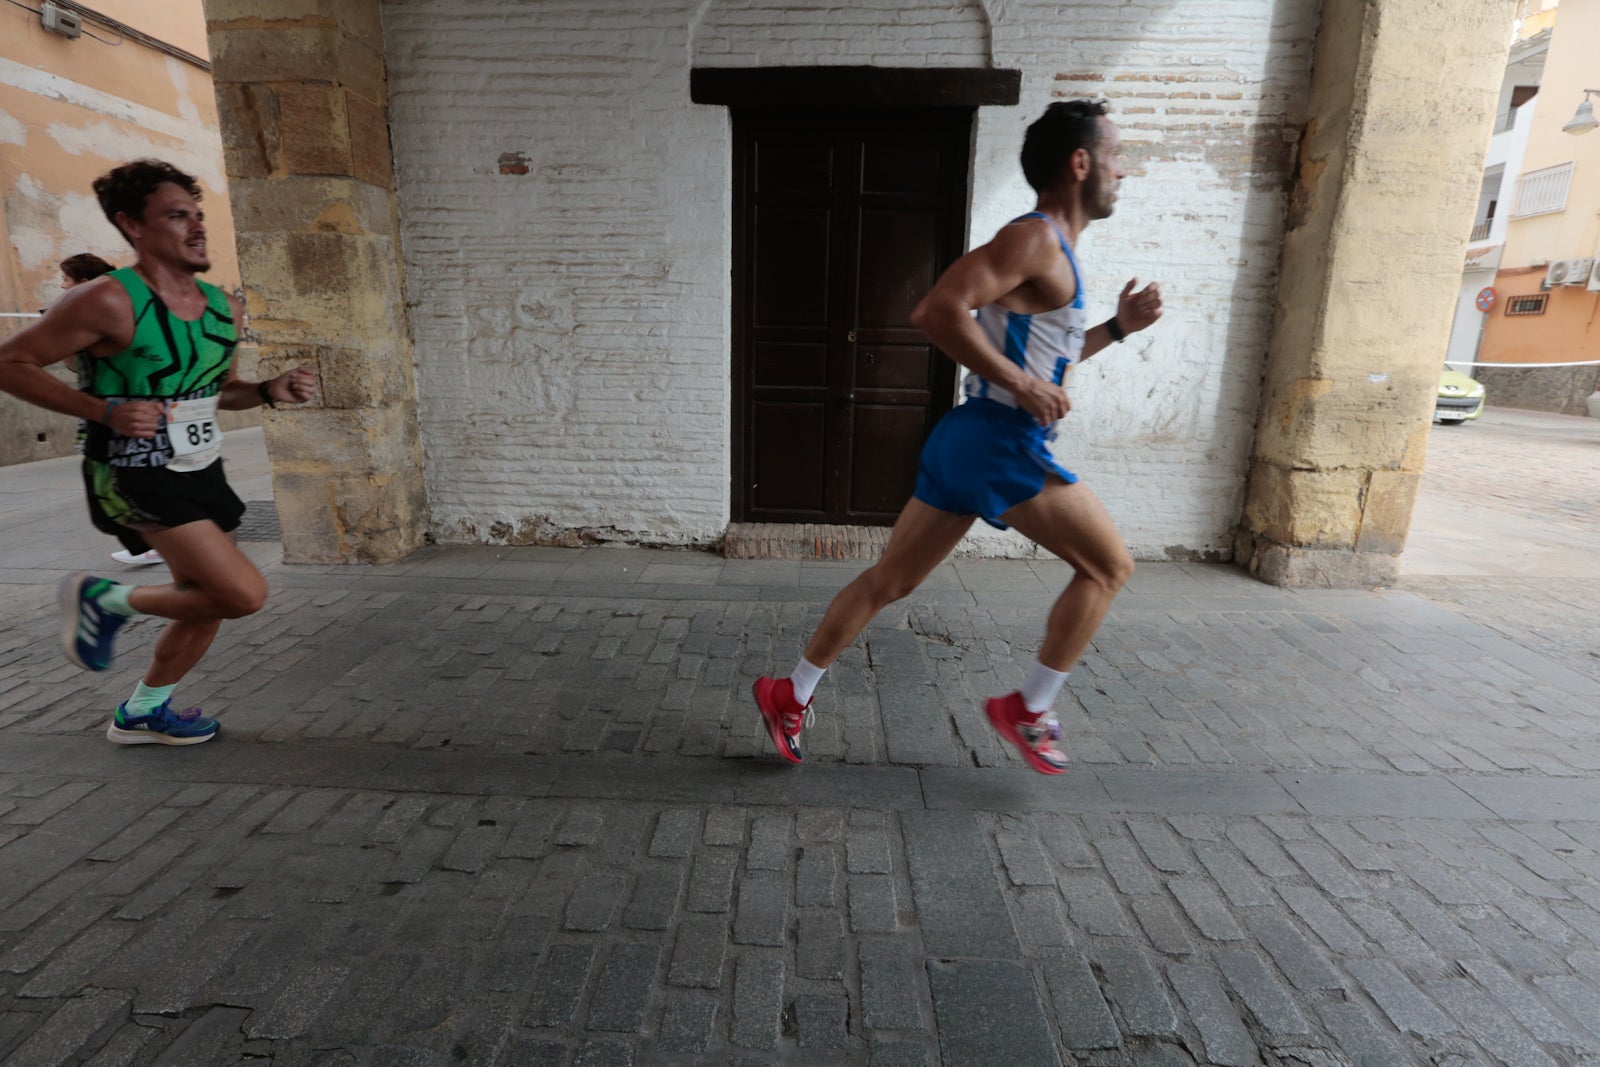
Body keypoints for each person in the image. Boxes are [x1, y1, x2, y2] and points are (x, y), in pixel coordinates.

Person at [751, 101, 1163, 774]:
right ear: (1080, 163)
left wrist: (1115, 330)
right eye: (1117, 156)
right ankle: (1029, 708)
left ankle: (788, 691)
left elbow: (1044, 367)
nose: (1125, 171)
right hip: (997, 440)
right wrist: (1022, 387)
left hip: (967, 438)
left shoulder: (1056, 253)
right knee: (1108, 566)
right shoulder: (1034, 239)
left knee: (890, 580)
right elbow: (936, 309)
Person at [0, 159, 314, 745]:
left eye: (197, 216)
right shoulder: (106, 301)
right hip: (131, 471)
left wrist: (269, 391)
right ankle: (102, 599)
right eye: (176, 216)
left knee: (206, 600)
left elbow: (218, 391)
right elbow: (9, 363)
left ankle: (143, 711)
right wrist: (105, 410)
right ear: (132, 225)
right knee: (244, 592)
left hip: (201, 465)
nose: (196, 228)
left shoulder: (225, 307)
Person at [57, 254, 163, 567]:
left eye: (65, 280)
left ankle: (154, 544)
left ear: (85, 283)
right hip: (134, 410)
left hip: (118, 414)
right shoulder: (131, 302)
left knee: (112, 488)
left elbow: (82, 366)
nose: (62, 287)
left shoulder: (97, 315)